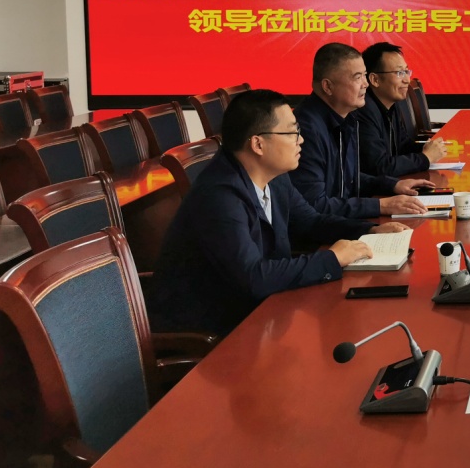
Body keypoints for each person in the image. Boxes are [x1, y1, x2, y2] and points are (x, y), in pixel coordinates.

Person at [149, 89, 382, 336]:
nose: (301, 140)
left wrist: (370, 230)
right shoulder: (219, 196)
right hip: (211, 331)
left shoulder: (275, 177)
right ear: (258, 144)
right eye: (293, 133)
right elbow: (253, 277)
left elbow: (311, 222)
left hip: (260, 312)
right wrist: (332, 259)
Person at [292, 42, 432, 218]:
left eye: (365, 75)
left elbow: (347, 178)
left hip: (342, 222)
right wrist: (380, 206)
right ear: (328, 87)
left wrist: (392, 185)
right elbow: (315, 206)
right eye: (357, 77)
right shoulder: (306, 129)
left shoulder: (347, 117)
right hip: (324, 231)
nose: (366, 84)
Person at [357, 42, 446, 176]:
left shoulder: (392, 105)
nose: (407, 80)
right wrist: (425, 158)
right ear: (375, 79)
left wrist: (427, 148)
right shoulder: (363, 111)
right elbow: (379, 167)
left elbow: (402, 146)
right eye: (399, 73)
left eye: (406, 71)